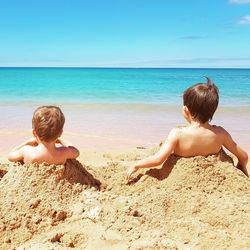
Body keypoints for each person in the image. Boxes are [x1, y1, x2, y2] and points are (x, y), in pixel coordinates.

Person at [127, 78, 249, 179]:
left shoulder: (178, 133)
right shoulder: (220, 133)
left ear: (186, 109)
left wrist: (137, 165)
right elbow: (243, 156)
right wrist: (241, 166)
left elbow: (158, 159)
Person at [8, 105, 80, 165]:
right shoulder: (64, 152)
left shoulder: (27, 151)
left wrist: (27, 142)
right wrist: (61, 141)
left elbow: (10, 156)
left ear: (34, 133)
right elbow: (76, 152)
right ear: (60, 133)